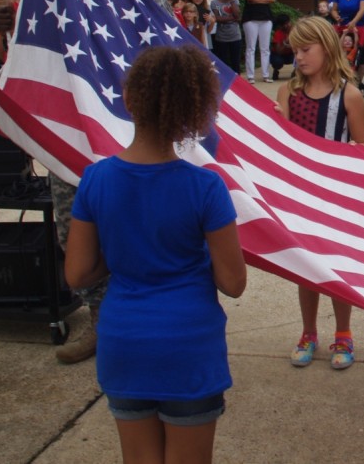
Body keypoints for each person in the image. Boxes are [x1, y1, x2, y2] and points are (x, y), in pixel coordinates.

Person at [65, 46, 246, 464]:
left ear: (129, 100)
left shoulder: (95, 179)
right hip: (187, 346)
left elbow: (77, 274)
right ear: (193, 108)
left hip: (124, 342)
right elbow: (233, 283)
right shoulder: (206, 188)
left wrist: (120, 248)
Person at [276, 17, 364, 369]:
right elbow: (280, 138)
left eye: (305, 49)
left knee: (336, 267)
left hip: (337, 197)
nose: (298, 57)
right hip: (300, 194)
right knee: (307, 267)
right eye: (295, 50)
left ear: (327, 48)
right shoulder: (289, 91)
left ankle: (343, 333)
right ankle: (308, 331)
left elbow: (362, 148)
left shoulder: (349, 93)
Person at [241, 0, 276, 83]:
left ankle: (266, 75)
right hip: (251, 18)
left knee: (265, 47)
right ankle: (251, 76)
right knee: (251, 47)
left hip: (266, 18)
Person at [210, 0, 243, 73]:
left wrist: (231, 1)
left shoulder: (235, 1)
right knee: (223, 61)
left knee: (235, 62)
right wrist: (233, 18)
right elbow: (218, 19)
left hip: (235, 36)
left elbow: (237, 15)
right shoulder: (214, 3)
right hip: (221, 37)